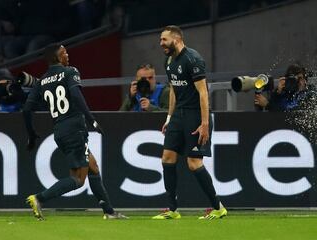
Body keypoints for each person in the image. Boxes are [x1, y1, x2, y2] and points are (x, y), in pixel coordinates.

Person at [23, 44, 127, 220]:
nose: (67, 55)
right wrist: (91, 119)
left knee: (92, 167)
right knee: (78, 179)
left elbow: (26, 109)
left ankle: (109, 212)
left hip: (59, 131)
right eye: (64, 52)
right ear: (57, 57)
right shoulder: (70, 71)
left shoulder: (41, 81)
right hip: (75, 129)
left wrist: (31, 134)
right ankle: (39, 198)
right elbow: (77, 96)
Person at [152, 25, 227, 220]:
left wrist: (205, 124)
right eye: (160, 40)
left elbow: (203, 93)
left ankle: (218, 207)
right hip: (178, 115)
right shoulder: (168, 60)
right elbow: (174, 91)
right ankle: (172, 210)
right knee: (167, 158)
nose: (161, 44)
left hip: (195, 115)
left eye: (164, 40)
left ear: (176, 40)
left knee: (194, 163)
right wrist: (169, 118)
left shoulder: (192, 59)